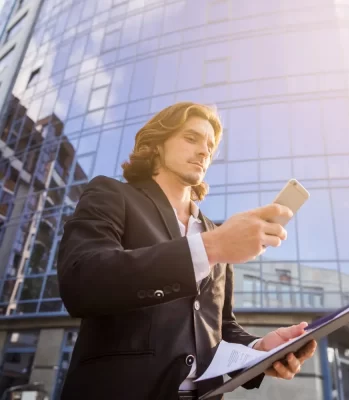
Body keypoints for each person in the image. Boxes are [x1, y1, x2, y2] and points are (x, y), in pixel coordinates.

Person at [57, 102, 317, 400]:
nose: (205, 150)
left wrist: (258, 350)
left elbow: (220, 327)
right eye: (191, 138)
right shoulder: (111, 194)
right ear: (157, 144)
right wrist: (211, 247)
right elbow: (82, 280)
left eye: (210, 145)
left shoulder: (213, 230)